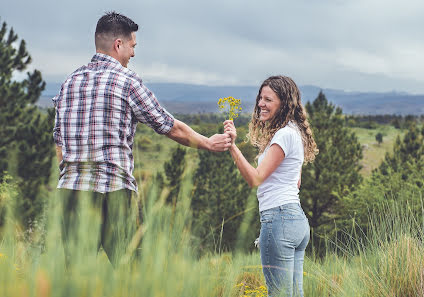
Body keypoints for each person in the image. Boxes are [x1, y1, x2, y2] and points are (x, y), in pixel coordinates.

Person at [52, 11, 232, 267]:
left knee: (74, 279)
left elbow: (59, 143)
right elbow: (168, 126)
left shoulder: (69, 83)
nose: (133, 53)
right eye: (132, 46)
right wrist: (208, 142)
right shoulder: (127, 82)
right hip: (113, 192)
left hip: (70, 193)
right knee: (134, 276)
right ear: (118, 44)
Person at [224, 75, 318, 297]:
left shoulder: (284, 135)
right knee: (295, 293)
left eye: (268, 100)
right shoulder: (294, 132)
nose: (260, 104)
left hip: (279, 220)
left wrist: (232, 147)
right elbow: (296, 180)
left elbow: (255, 179)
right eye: (260, 98)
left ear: (284, 103)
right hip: (296, 222)